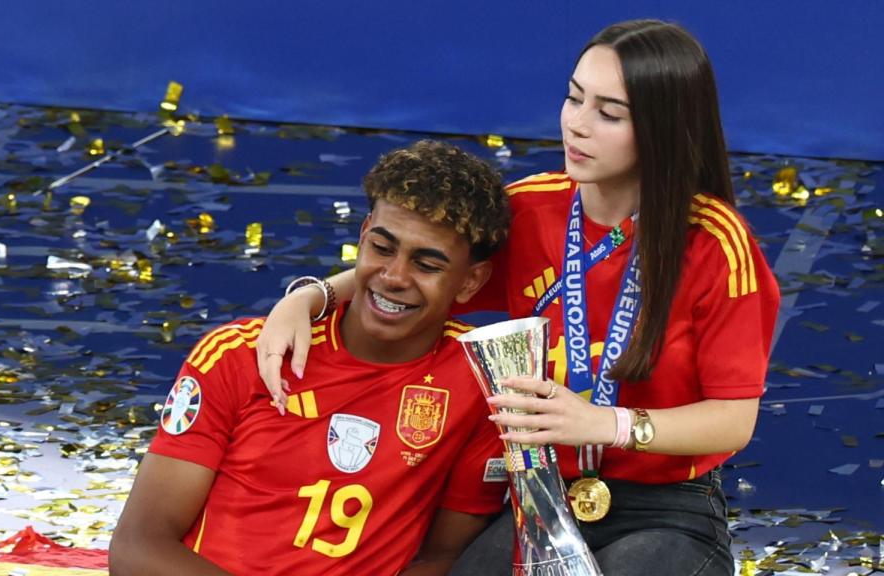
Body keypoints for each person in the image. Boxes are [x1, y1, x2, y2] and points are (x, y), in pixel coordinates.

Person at [255, 19, 780, 576]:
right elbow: (422, 274)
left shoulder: (717, 245)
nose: (576, 125)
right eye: (574, 98)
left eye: (608, 113)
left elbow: (732, 419)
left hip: (670, 507)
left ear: (662, 128)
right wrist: (309, 299)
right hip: (544, 493)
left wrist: (605, 424)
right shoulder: (529, 210)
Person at [110, 140, 512, 576]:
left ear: (471, 281)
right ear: (362, 236)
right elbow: (137, 547)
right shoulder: (240, 355)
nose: (394, 277)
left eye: (427, 265)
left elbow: (441, 558)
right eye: (381, 248)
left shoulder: (479, 379)